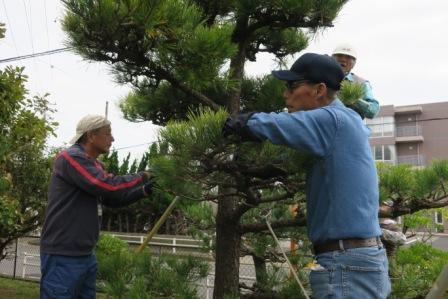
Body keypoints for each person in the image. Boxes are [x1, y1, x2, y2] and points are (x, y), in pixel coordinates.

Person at [223, 53, 391, 298]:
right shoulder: (346, 120)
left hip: (346, 263)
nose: (285, 94)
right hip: (353, 260)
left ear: (319, 90)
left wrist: (238, 123)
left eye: (292, 85)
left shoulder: (331, 119)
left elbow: (276, 125)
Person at [40, 114, 155, 299]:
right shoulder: (69, 158)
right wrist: (143, 176)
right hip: (63, 254)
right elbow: (107, 185)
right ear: (91, 135)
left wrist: (144, 191)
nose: (113, 139)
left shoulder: (95, 165)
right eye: (108, 133)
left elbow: (111, 198)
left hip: (86, 255)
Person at [332, 44, 380, 119]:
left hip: (351, 127)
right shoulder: (322, 78)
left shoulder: (361, 83)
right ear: (332, 58)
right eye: (339, 55)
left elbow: (373, 111)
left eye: (348, 57)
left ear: (354, 63)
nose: (343, 59)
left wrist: (353, 99)